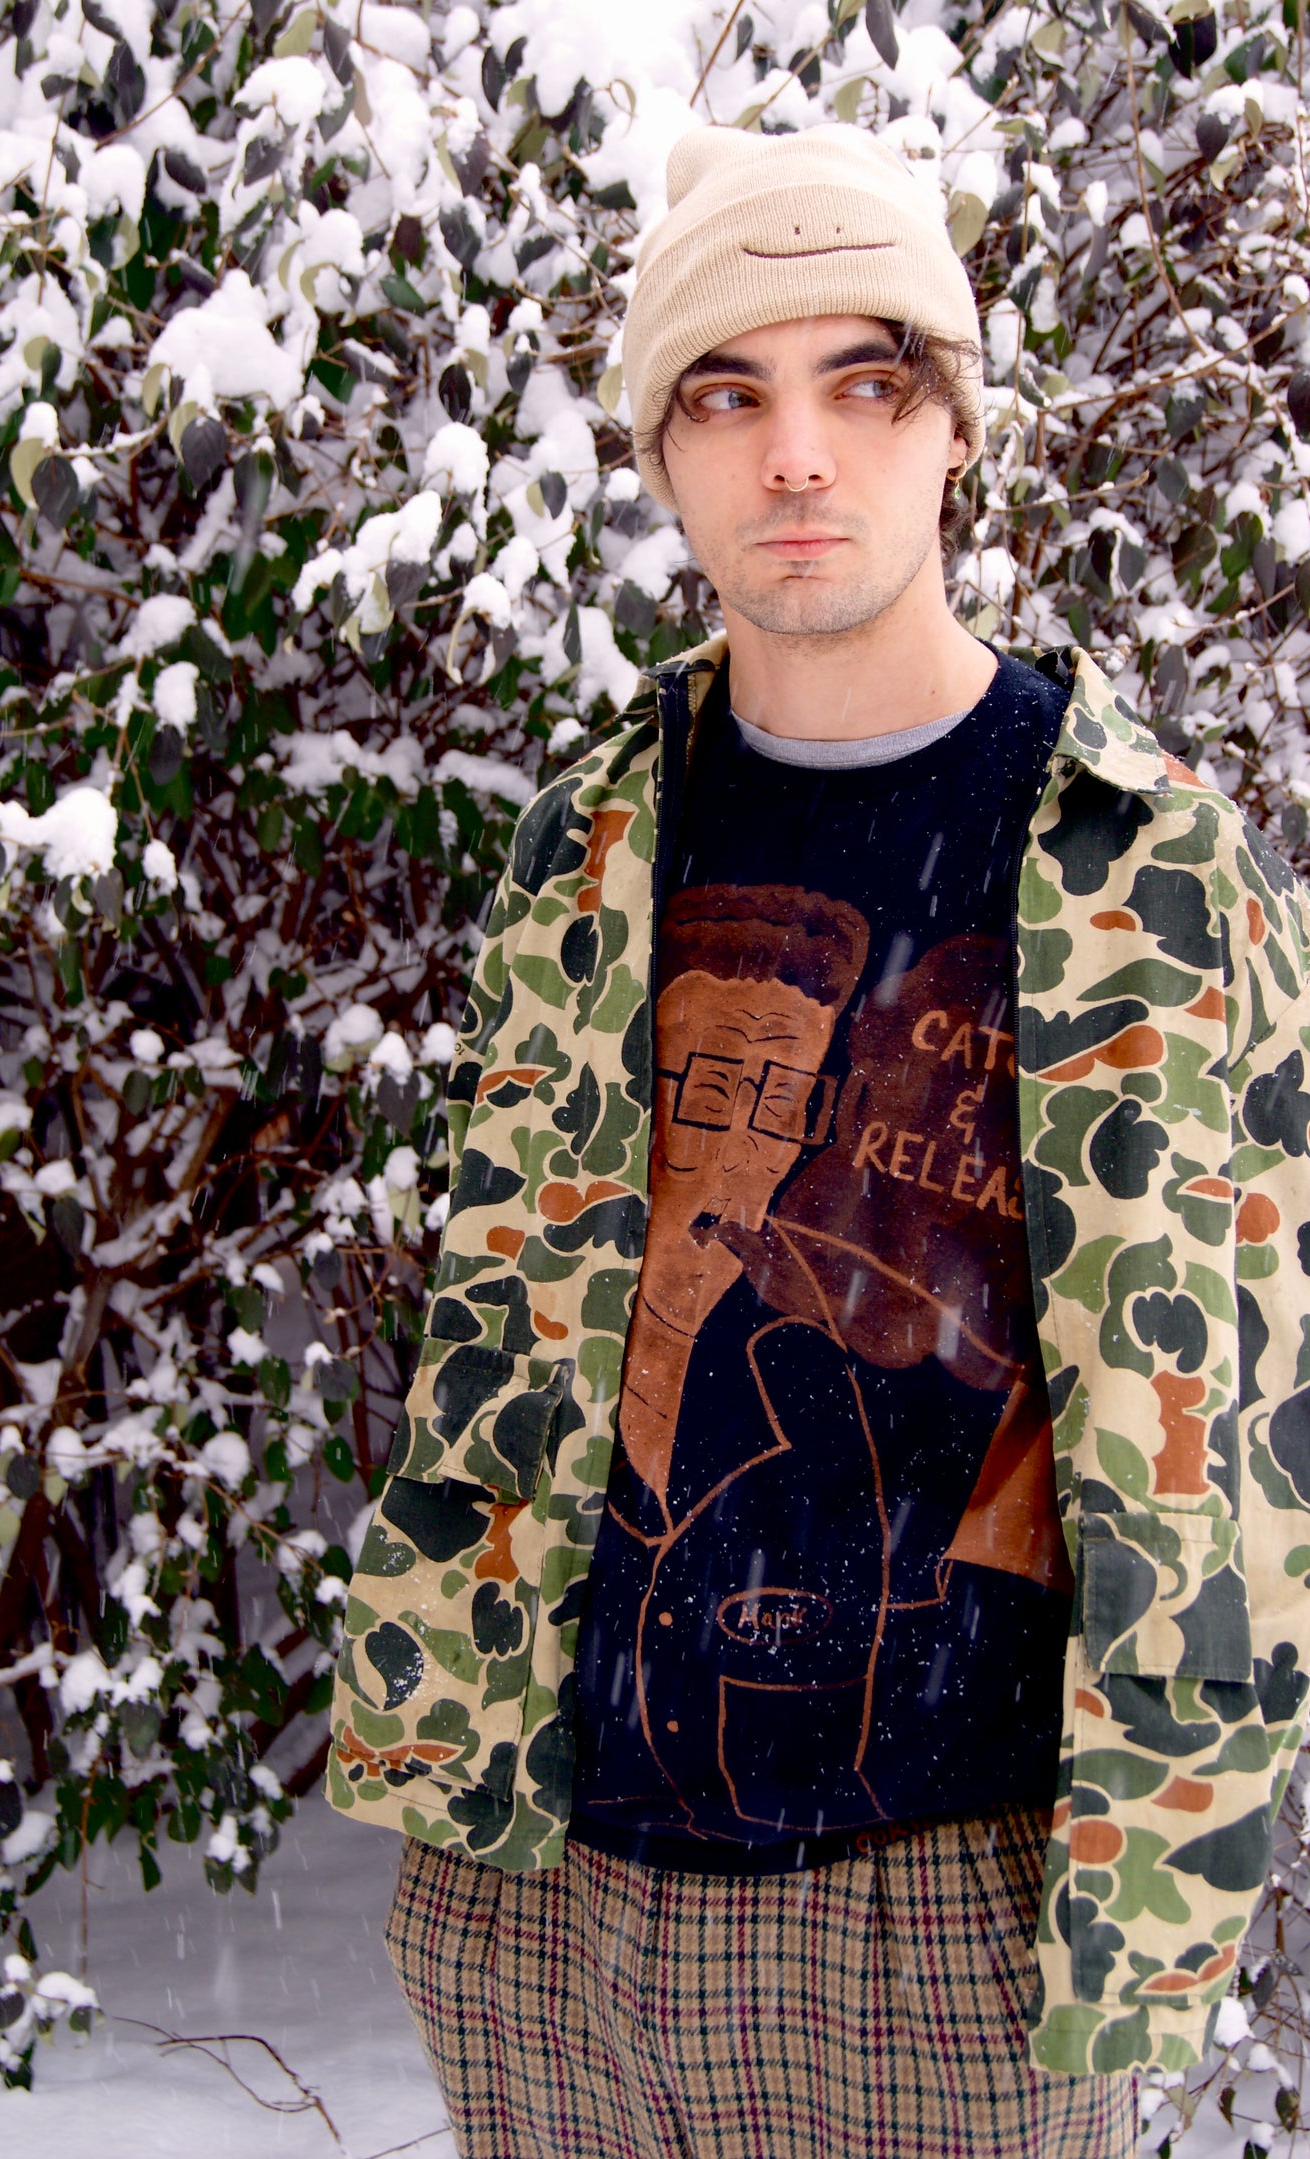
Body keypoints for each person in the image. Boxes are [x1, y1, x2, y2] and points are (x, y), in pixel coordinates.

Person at [325, 123, 1310, 2158]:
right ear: (661, 453)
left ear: (956, 430)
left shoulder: (1150, 865)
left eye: (866, 384)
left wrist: (1165, 1882)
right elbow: (517, 1321)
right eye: (728, 392)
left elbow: (1254, 1414)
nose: (798, 455)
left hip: (957, 1908)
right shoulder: (589, 836)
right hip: (560, 1890)